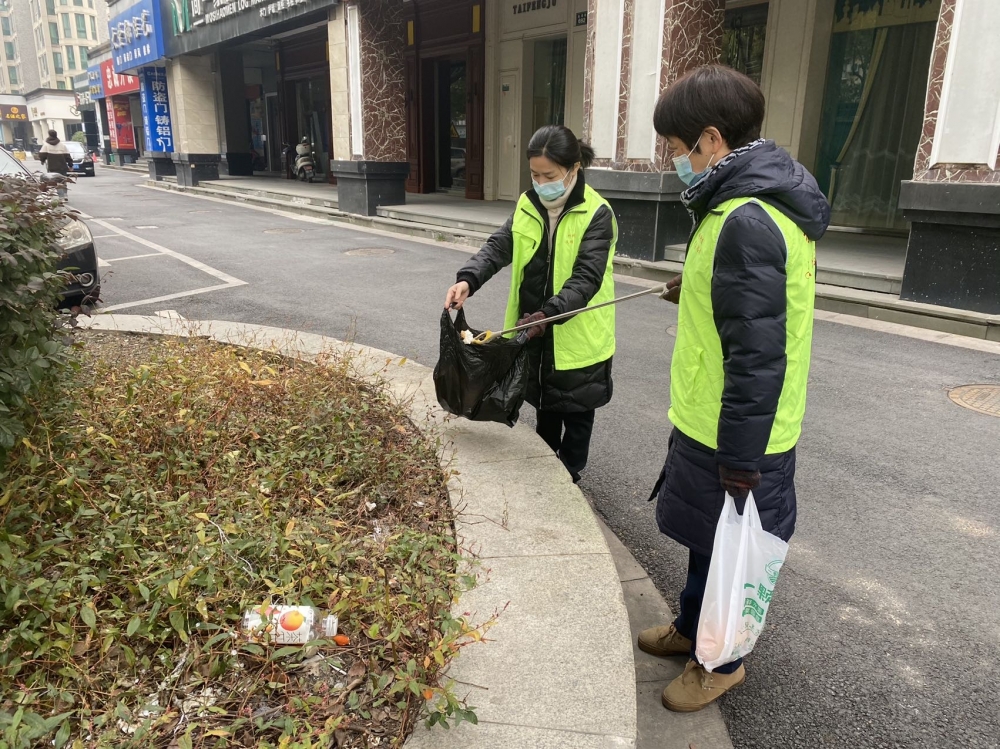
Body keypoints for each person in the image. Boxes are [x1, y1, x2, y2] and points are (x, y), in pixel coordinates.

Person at [639, 65, 830, 711]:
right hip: (710, 417)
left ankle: (721, 662)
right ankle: (693, 628)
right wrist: (692, 286)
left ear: (712, 141)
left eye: (676, 147)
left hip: (740, 430)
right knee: (706, 539)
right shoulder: (738, 204)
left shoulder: (746, 218)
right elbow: (744, 309)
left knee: (735, 554)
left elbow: (758, 356)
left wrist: (744, 459)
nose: (674, 160)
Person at [444, 125, 617, 484]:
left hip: (577, 335)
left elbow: (586, 278)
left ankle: (569, 478)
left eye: (549, 175)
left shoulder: (598, 213)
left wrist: (549, 314)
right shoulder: (527, 204)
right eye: (535, 175)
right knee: (545, 407)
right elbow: (498, 247)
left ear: (573, 169)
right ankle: (543, 470)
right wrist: (468, 279)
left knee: (579, 413)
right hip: (532, 328)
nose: (540, 183)